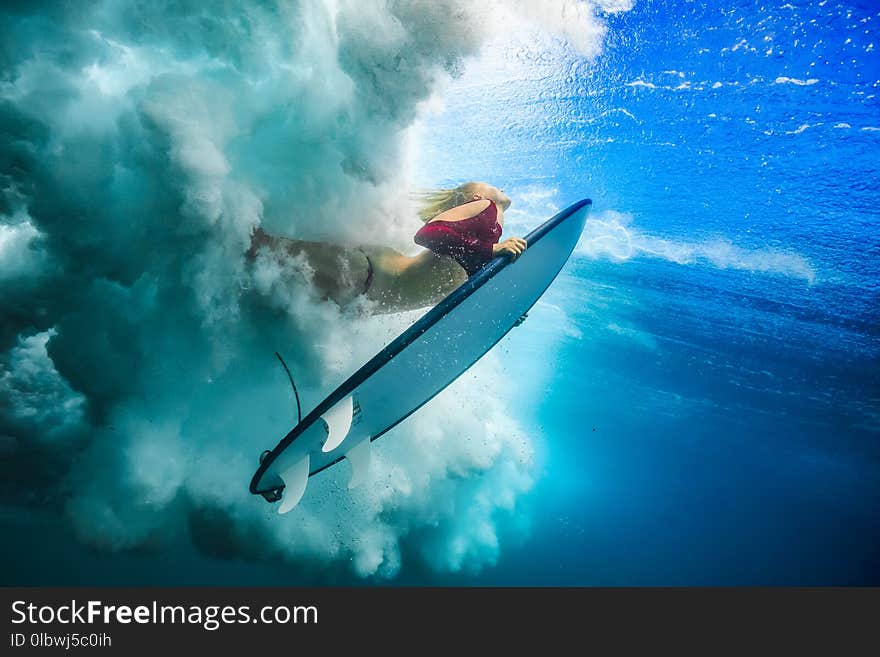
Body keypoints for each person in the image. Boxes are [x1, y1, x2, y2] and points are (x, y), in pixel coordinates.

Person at [246, 182, 527, 313]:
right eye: (491, 186)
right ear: (475, 196)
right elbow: (430, 233)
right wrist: (492, 251)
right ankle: (226, 214)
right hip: (364, 274)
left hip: (360, 298)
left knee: (255, 276)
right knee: (258, 247)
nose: (499, 188)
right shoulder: (484, 208)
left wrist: (501, 313)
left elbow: (463, 299)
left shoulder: (480, 251)